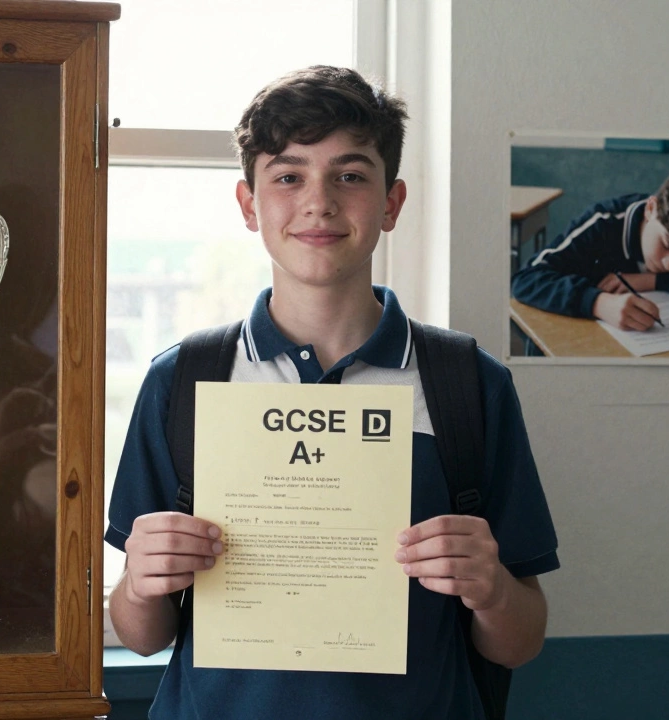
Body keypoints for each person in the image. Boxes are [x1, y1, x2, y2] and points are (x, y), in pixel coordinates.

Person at [106, 66, 558, 719]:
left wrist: (491, 590)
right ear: (249, 204)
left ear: (391, 203)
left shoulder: (468, 384)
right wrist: (140, 585)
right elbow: (143, 637)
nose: (318, 202)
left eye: (350, 176)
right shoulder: (184, 380)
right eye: (288, 177)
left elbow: (521, 640)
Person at [511, 164, 669, 331]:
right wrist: (597, 303)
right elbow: (526, 279)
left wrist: (655, 281)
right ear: (651, 209)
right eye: (667, 244)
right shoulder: (603, 223)